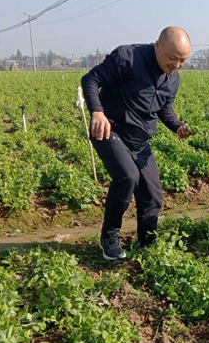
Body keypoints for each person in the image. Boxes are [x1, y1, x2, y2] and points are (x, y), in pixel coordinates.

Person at [81, 26, 192, 260]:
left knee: (152, 193)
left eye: (183, 60)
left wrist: (177, 126)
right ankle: (109, 237)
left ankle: (147, 240)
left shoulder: (173, 79)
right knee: (127, 177)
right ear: (157, 46)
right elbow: (91, 79)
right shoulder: (128, 57)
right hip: (110, 130)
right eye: (173, 58)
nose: (177, 65)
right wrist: (97, 112)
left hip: (140, 140)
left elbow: (164, 108)